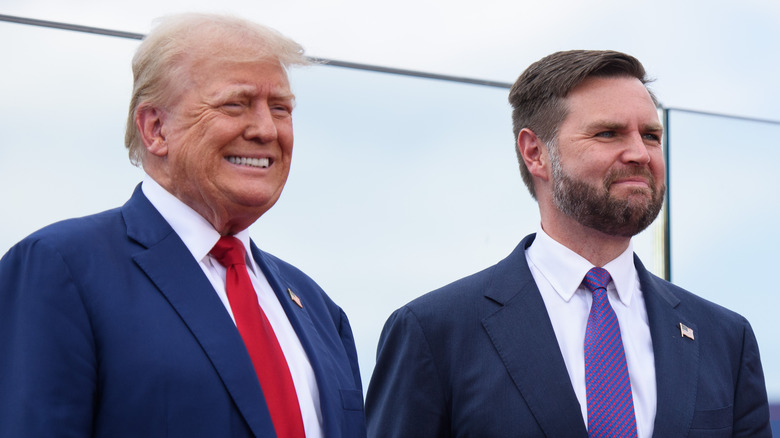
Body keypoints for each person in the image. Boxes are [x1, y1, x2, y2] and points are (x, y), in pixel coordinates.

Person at [365, 50, 771, 437]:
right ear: (535, 152)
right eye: (608, 133)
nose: (639, 153)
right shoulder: (435, 332)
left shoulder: (724, 339)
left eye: (650, 135)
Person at [0, 13, 366, 438]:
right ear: (156, 129)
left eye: (281, 109)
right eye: (236, 104)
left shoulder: (321, 311)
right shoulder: (61, 268)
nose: (267, 129)